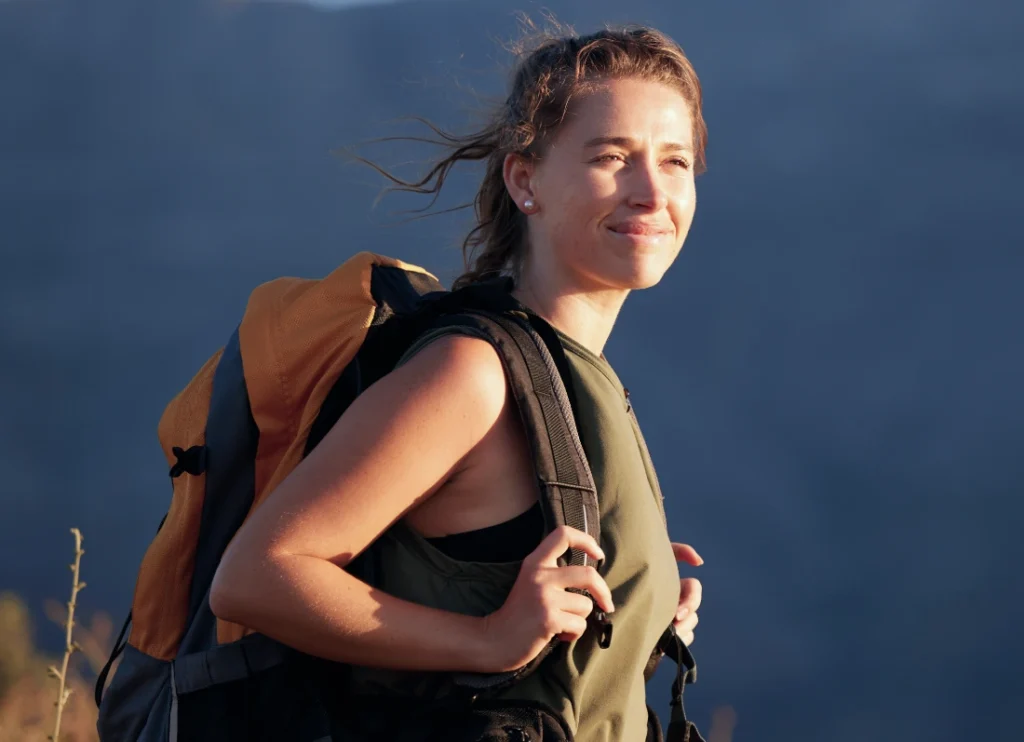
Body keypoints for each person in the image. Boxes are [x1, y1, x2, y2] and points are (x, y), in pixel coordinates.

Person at [209, 21, 708, 742]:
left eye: (676, 162)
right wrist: (488, 641)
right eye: (612, 158)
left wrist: (639, 605)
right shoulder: (473, 373)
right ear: (524, 178)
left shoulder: (572, 377)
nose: (651, 192)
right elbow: (257, 576)